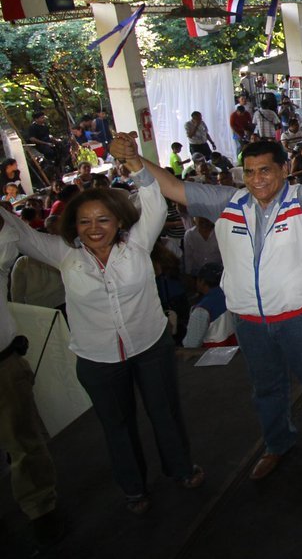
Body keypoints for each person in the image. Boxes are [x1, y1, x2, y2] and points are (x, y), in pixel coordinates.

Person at [110, 126, 302, 480]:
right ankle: (277, 443)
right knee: (266, 388)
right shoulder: (228, 202)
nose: (257, 180)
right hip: (250, 321)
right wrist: (134, 159)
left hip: (301, 316)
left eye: (265, 170)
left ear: (284, 169)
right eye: (251, 172)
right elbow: (172, 187)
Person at [0, 144, 204, 514]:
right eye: (85, 221)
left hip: (150, 346)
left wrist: (134, 163)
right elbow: (21, 236)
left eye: (103, 219)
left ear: (120, 222)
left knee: (165, 413)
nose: (94, 228)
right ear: (74, 225)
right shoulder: (64, 256)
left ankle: (181, 468)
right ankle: (133, 488)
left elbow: (155, 201)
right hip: (97, 359)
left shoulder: (138, 245)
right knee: (117, 426)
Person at [0, 218, 65, 547]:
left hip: (3, 361)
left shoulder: (5, 222)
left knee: (23, 441)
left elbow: (44, 247)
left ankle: (41, 510)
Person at [181, 263, 236, 349]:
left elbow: (191, 344)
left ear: (202, 281)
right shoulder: (231, 296)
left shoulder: (202, 310)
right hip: (234, 353)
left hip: (212, 356)